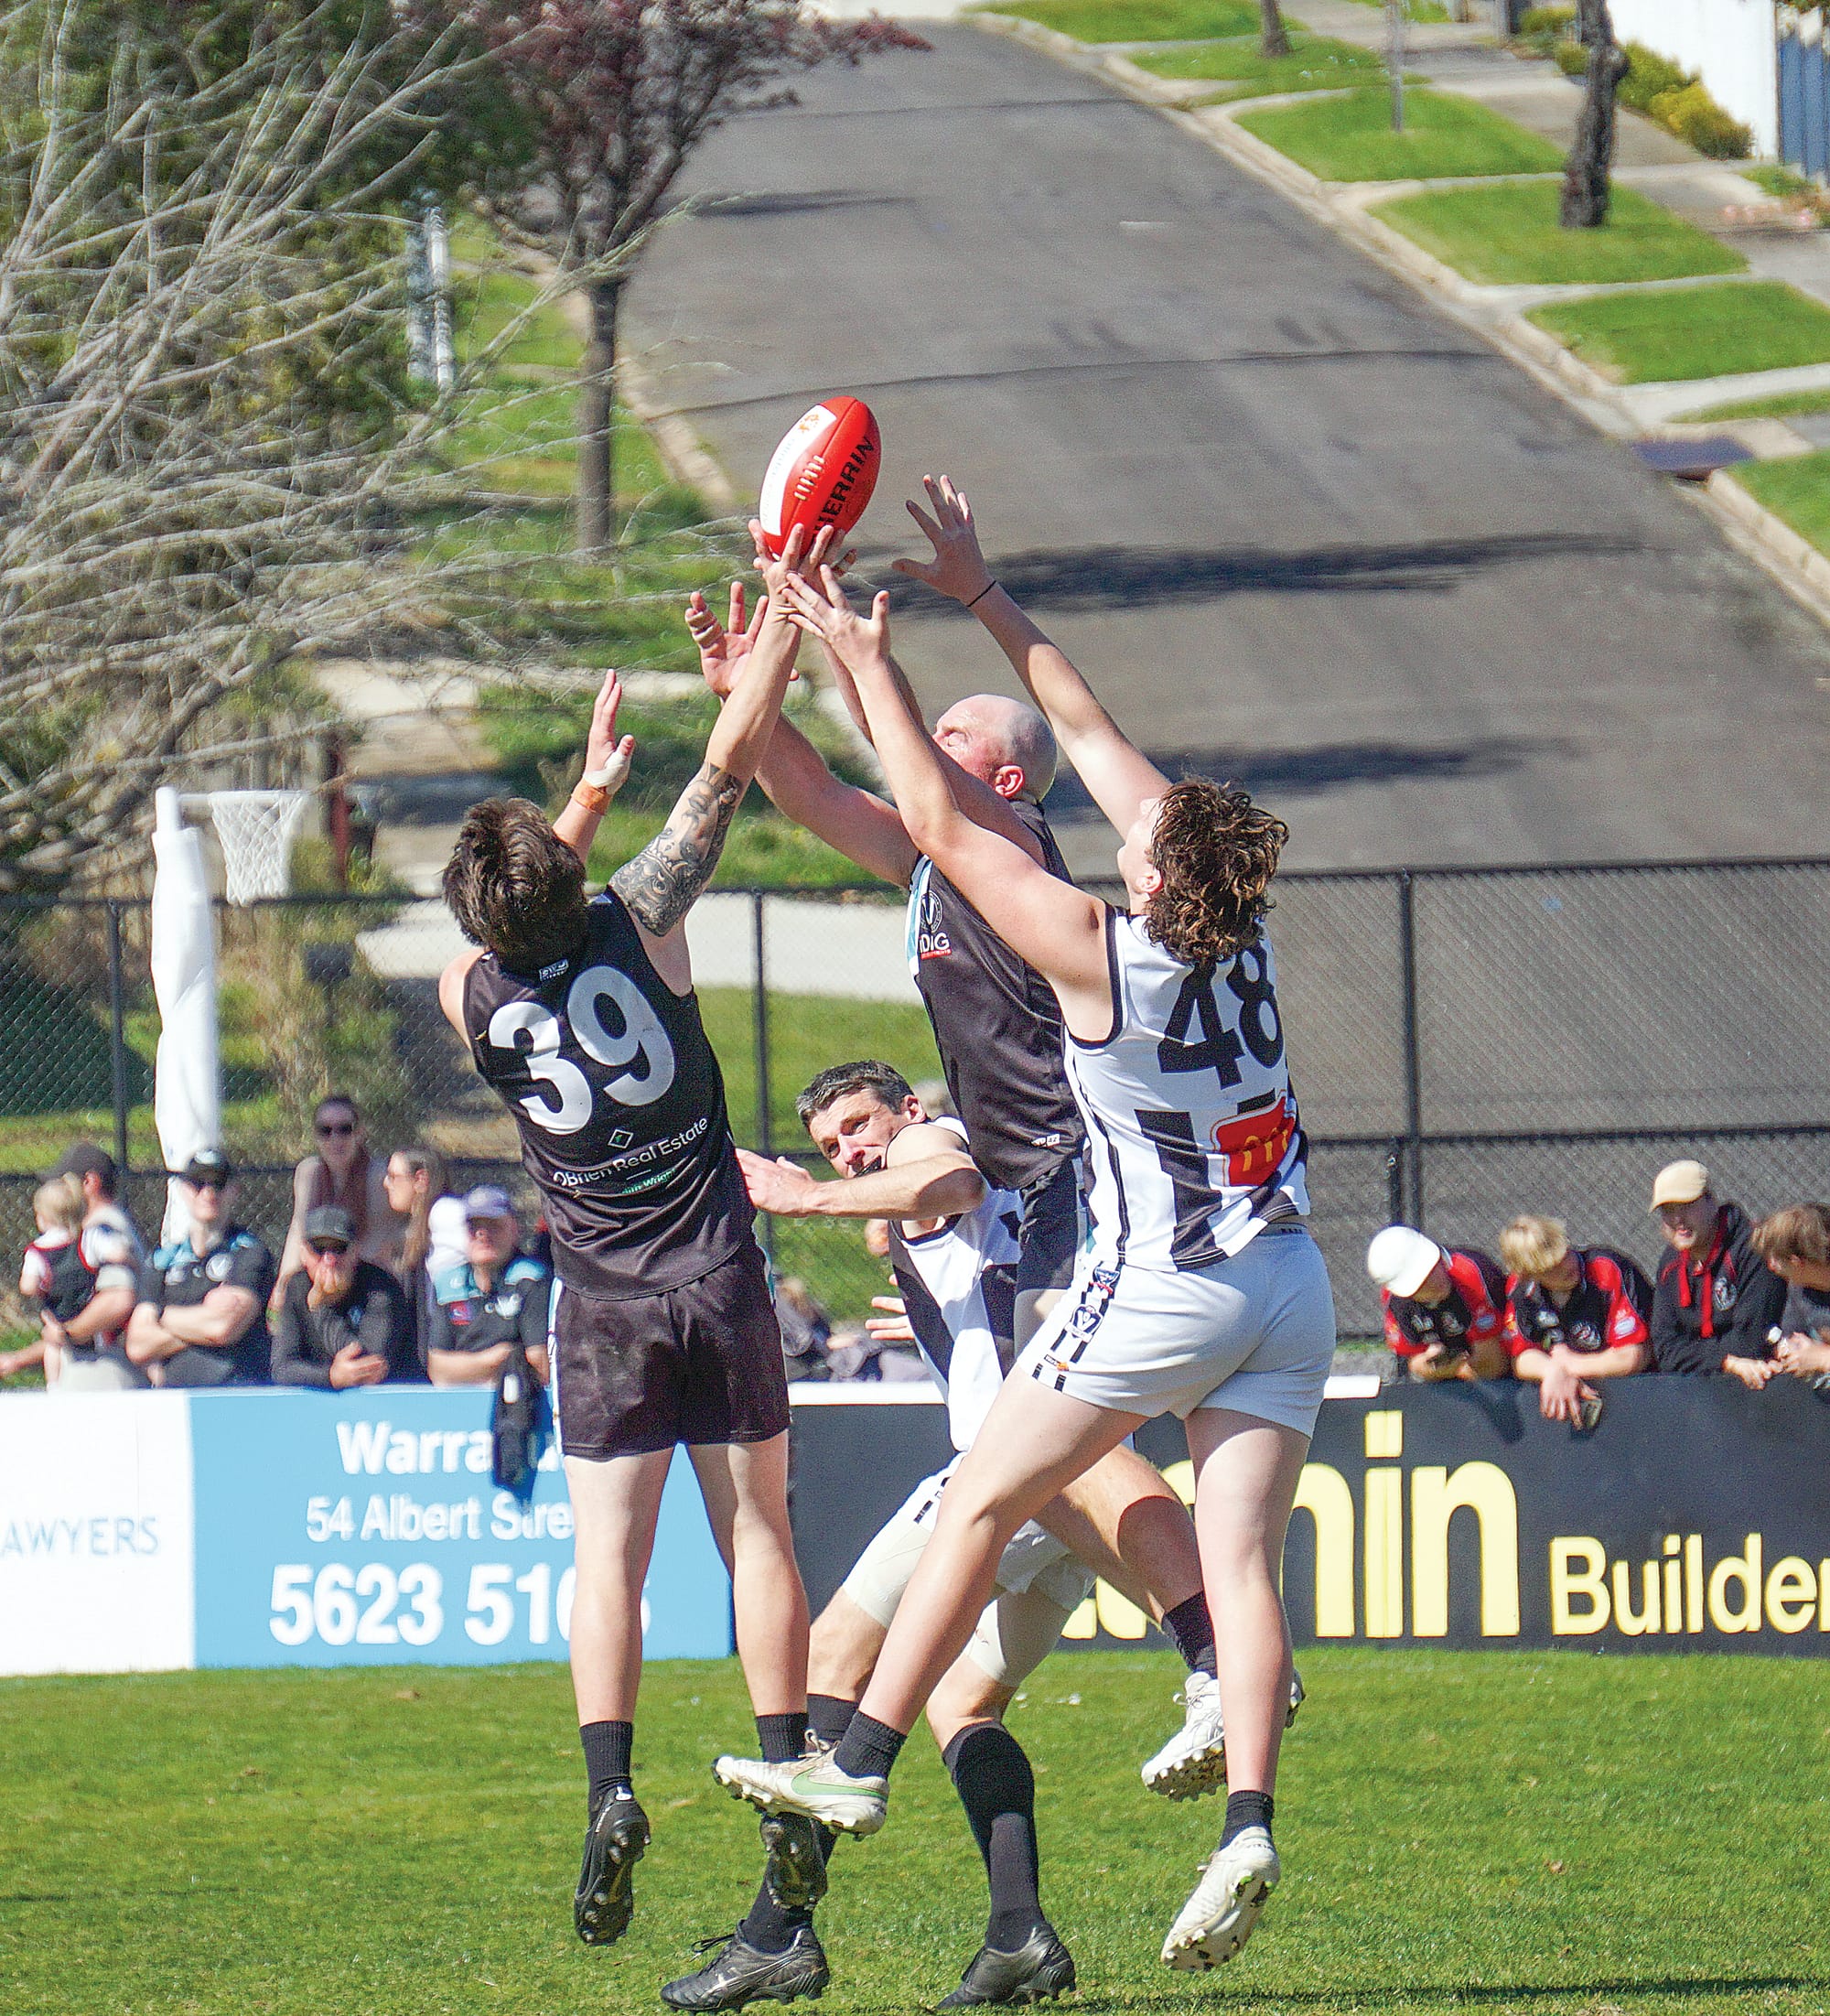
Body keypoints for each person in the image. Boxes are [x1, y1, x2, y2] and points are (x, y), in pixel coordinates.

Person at [715, 500, 1334, 1977]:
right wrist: (982, 591)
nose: (1126, 831)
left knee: (986, 1487)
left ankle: (853, 1757)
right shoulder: (1232, 931)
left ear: (1159, 871)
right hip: (1290, 1274)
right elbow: (1085, 719)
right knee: (1244, 1565)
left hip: (1164, 1270)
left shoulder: (1097, 943)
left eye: (1141, 833)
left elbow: (940, 809)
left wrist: (868, 656)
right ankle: (1248, 1818)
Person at [685, 1059, 1279, 2011]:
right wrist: (936, 1317)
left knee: (833, 1653)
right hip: (1042, 1488)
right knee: (961, 1700)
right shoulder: (934, 1226)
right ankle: (1018, 1937)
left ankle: (776, 1933)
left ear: (907, 1109)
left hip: (997, 1477)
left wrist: (807, 1196)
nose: (850, 1148)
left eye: (859, 1124)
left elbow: (944, 1179)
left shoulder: (930, 1149)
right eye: (830, 1142)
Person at [436, 541, 820, 1959]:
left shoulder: (467, 989)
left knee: (609, 1557)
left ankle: (609, 1782)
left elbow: (519, 923)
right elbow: (725, 760)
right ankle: (784, 1770)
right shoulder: (645, 915)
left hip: (596, 1295)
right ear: (571, 872)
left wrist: (577, 805)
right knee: (759, 1535)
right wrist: (787, 606)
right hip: (714, 1262)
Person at [687, 510, 1082, 1357]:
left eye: (957, 735)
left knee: (1056, 1417)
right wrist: (743, 693)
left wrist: (829, 613)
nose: (934, 738)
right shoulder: (929, 859)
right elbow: (812, 794)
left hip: (1073, 1161)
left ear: (1007, 779)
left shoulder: (1018, 840)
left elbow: (892, 738)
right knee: (1032, 1413)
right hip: (1017, 1171)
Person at [0, 1142, 146, 1390]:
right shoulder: (82, 1236)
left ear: (90, 1182)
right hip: (89, 1368)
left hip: (103, 1373)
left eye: (64, 1184)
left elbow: (117, 1301)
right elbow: (71, 1324)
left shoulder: (103, 1230)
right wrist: (18, 1360)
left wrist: (65, 1334)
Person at [125, 1149, 276, 1386]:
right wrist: (203, 1324)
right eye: (198, 1184)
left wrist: (162, 1316)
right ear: (184, 1190)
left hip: (237, 1391)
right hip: (178, 1402)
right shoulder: (162, 1260)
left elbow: (222, 1327)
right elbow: (138, 1345)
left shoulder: (250, 1253)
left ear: (233, 1190)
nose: (208, 1193)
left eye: (218, 1183)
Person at [1496, 1215, 1652, 1424]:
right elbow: (1520, 1358)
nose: (1567, 1266)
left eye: (1566, 1254)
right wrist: (1552, 1371)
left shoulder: (1607, 1269)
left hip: (1643, 1393)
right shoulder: (1521, 1290)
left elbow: (1633, 1356)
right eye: (1552, 1268)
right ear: (1529, 1275)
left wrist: (1571, 1365)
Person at [1647, 1159, 1786, 1385]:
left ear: (1711, 1201)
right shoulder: (1670, 1263)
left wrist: (1702, 1356)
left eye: (1687, 1206)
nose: (1678, 1220)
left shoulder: (1752, 1249)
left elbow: (1752, 1342)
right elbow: (1665, 1350)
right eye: (1668, 1211)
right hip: (1702, 1391)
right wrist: (1726, 1361)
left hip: (1765, 1384)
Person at [272, 1205, 418, 1388]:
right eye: (318, 1249)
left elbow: (368, 1367)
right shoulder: (296, 1287)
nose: (329, 1260)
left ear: (355, 1251)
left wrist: (320, 1308)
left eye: (338, 1248)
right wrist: (330, 1377)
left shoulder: (381, 1288)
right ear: (303, 1253)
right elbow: (282, 1368)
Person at [273, 1094, 400, 1304]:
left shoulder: (377, 1176)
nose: (335, 1140)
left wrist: (333, 1285)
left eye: (344, 1129)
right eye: (325, 1131)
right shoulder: (308, 1172)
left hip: (370, 1280)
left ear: (360, 1133)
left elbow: (377, 1244)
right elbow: (298, 1232)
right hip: (322, 1271)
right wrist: (281, 1289)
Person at [425, 1188, 551, 1388]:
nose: (482, 1234)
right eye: (473, 1227)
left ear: (514, 1229)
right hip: (458, 1406)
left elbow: (539, 1364)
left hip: (517, 1407)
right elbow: (437, 1369)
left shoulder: (531, 1279)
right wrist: (492, 1360)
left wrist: (462, 1368)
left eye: (493, 1225)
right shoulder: (447, 1282)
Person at [1366, 1227, 1510, 1383]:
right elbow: (1415, 1362)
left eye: (1432, 1268)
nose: (1435, 1282)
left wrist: (1450, 1369)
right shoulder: (1395, 1301)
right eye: (1421, 1282)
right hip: (1453, 1381)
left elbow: (1494, 1364)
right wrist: (1439, 1363)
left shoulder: (1470, 1273)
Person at [383, 1144, 466, 1353]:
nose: (386, 1184)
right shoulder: (415, 1229)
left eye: (393, 1176)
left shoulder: (446, 1213)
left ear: (420, 1180)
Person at [12, 1176, 89, 1385]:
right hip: (85, 1303)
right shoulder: (81, 1240)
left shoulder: (37, 1250)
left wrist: (36, 1287)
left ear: (43, 1217)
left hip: (55, 1310)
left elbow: (28, 1286)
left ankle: (54, 1385)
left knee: (52, 1344)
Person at [1751, 1203, 1830, 1388]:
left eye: (1775, 1259)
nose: (1771, 1267)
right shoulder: (1800, 1288)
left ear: (1797, 1261)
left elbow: (1817, 1356)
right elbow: (1791, 1335)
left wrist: (1823, 1357)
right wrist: (1786, 1355)